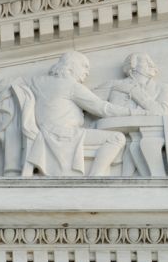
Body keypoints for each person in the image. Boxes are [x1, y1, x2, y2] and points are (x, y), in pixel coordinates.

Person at [12, 51, 146, 176]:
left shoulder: (38, 81)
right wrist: (134, 112)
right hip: (64, 135)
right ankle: (96, 177)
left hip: (45, 133)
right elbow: (102, 108)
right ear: (72, 65)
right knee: (117, 138)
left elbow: (8, 85)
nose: (87, 72)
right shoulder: (71, 86)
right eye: (84, 66)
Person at [97, 52, 168, 115]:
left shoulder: (164, 88)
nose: (152, 65)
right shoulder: (114, 84)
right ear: (132, 66)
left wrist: (134, 91)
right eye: (146, 62)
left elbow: (162, 111)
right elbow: (91, 101)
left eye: (150, 62)